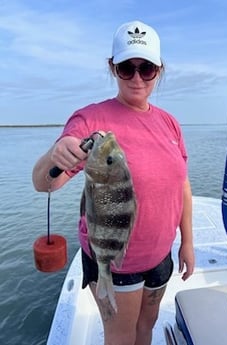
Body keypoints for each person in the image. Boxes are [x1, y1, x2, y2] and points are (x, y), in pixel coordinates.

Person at [32, 20, 195, 345]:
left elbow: (182, 186)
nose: (137, 77)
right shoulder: (90, 119)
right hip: (116, 264)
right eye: (126, 68)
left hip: (160, 256)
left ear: (159, 70)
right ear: (113, 68)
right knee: (120, 338)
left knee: (145, 328)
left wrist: (187, 243)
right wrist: (56, 154)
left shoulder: (169, 123)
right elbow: (44, 183)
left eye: (146, 68)